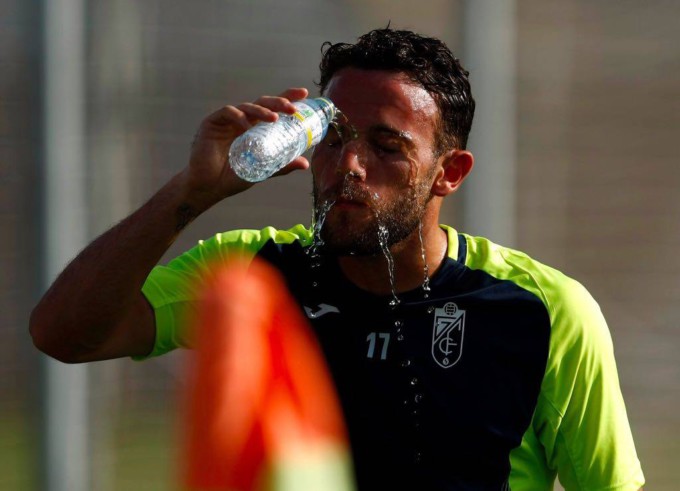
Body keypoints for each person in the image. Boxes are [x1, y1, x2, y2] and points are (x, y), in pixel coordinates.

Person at [30, 28, 645, 490]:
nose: (349, 167)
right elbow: (66, 334)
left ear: (448, 174)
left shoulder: (543, 311)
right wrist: (189, 194)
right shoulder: (252, 276)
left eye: (387, 146)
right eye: (336, 139)